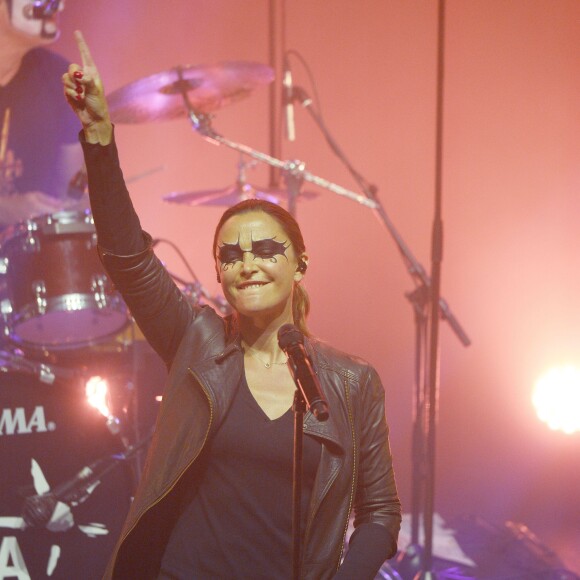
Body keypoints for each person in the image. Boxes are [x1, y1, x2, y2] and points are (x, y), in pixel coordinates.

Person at [62, 31, 401, 580]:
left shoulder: (351, 382)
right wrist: (99, 136)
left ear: (300, 264)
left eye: (267, 249)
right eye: (230, 254)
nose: (248, 263)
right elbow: (127, 255)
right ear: (219, 273)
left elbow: (380, 511)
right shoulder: (196, 341)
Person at [0, 0, 85, 229]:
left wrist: (74, 202)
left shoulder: (59, 78)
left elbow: (75, 187)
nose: (57, 6)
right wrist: (6, 209)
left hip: (28, 255)